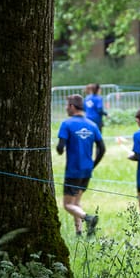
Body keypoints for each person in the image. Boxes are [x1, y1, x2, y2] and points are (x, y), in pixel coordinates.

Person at [57, 94, 105, 237]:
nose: (66, 108)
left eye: (67, 106)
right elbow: (102, 149)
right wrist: (92, 165)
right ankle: (79, 232)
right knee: (76, 202)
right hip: (86, 171)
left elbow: (60, 148)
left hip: (73, 170)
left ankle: (88, 219)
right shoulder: (92, 125)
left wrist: (60, 148)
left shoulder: (66, 124)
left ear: (72, 107)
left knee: (67, 205)